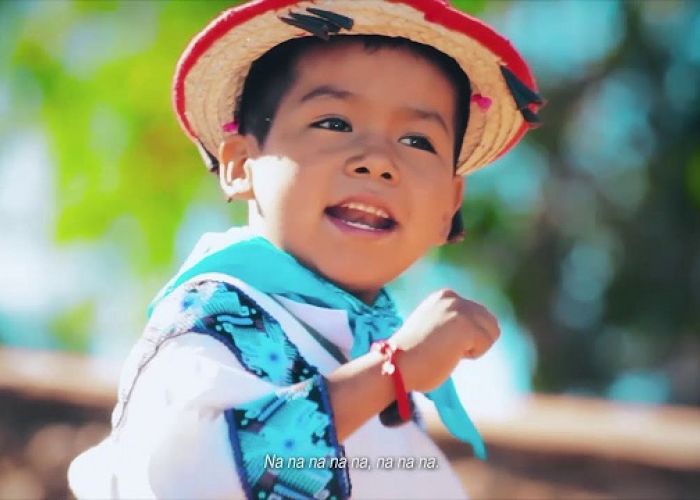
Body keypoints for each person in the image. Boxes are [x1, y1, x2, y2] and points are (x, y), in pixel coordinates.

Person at [69, 0, 542, 498]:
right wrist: (392, 369)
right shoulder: (216, 318)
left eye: (417, 140)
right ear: (240, 164)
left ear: (450, 202)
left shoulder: (369, 359)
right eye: (334, 123)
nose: (378, 161)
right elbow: (188, 478)